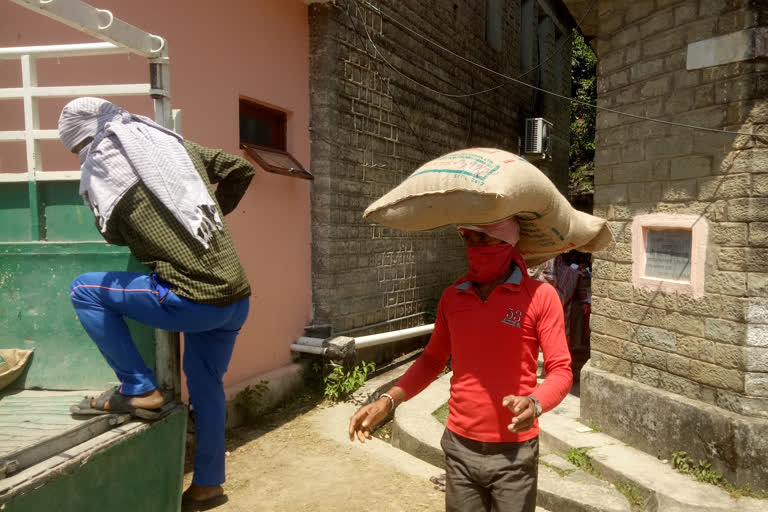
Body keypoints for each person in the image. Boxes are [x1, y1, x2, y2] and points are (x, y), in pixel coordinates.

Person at [58, 97, 255, 505]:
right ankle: (208, 485)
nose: (83, 158)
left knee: (84, 290)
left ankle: (137, 387)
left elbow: (113, 236)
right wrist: (206, 217)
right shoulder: (176, 147)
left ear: (87, 141)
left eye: (79, 149)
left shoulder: (105, 169)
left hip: (192, 300)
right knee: (206, 385)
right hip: (235, 299)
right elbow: (241, 168)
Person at [348, 218, 572, 512]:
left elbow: (561, 370)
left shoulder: (540, 297)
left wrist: (535, 403)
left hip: (515, 454)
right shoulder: (453, 297)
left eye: (484, 239)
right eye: (468, 239)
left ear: (507, 242)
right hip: (459, 447)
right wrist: (388, 400)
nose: (474, 248)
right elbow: (431, 360)